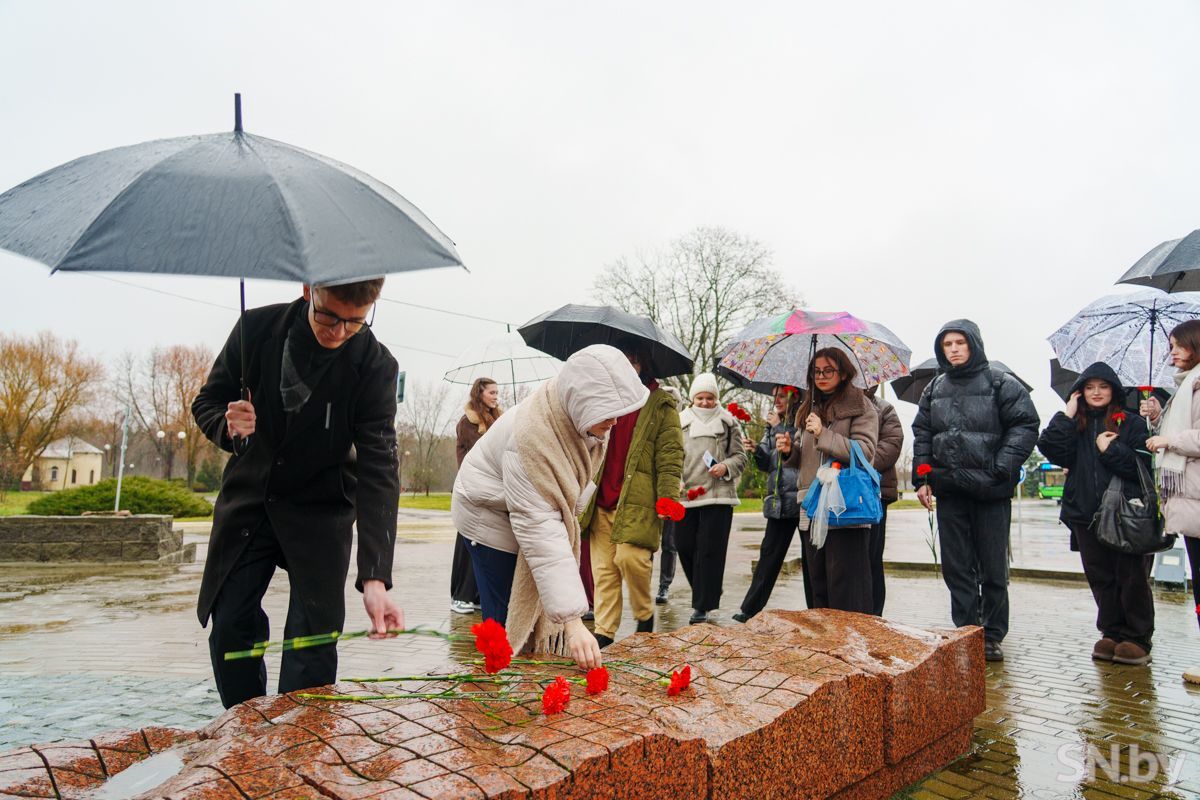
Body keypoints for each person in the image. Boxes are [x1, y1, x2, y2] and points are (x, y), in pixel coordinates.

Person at [192, 280, 403, 709]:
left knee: (313, 642)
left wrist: (375, 578)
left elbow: (380, 467)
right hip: (252, 500)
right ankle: (245, 725)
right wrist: (227, 425)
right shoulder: (255, 329)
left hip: (321, 512)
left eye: (355, 322)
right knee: (230, 625)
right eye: (329, 316)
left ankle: (299, 736)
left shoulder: (375, 365)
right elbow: (207, 402)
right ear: (310, 288)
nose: (338, 332)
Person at [451, 344, 647, 670]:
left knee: (539, 595)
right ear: (583, 400)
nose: (615, 420)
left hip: (521, 510)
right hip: (486, 515)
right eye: (608, 411)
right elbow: (541, 529)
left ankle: (524, 680)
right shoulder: (530, 438)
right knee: (505, 619)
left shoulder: (583, 420)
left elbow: (570, 495)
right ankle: (497, 686)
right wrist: (573, 623)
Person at [912, 320, 1039, 662]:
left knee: (993, 567)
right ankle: (967, 630)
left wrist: (1001, 467)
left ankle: (992, 634)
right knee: (957, 567)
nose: (953, 349)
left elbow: (1026, 425)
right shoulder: (934, 388)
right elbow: (923, 434)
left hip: (990, 492)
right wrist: (922, 479)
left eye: (960, 342)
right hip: (950, 490)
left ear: (974, 344)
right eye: (947, 344)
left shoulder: (1000, 383)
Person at [1038, 363, 1155, 665]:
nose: (1096, 393)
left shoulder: (1131, 422)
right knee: (1100, 577)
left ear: (1113, 390)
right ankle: (1111, 632)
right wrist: (1066, 414)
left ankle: (1137, 638)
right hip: (1084, 514)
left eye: (1103, 387)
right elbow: (1051, 448)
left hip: (1124, 514)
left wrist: (1109, 450)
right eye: (1089, 388)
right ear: (1080, 392)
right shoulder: (1074, 424)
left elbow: (1141, 468)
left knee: (1131, 577)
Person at [581, 339, 683, 647]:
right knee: (604, 570)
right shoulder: (604, 399)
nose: (626, 367)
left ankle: (644, 613)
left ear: (643, 364)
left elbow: (670, 456)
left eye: (632, 361)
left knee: (631, 559)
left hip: (638, 501)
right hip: (600, 498)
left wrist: (668, 497)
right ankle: (604, 631)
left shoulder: (660, 404)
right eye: (620, 361)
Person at [777, 349, 879, 614]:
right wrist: (789, 450)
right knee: (817, 587)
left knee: (846, 589)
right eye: (816, 371)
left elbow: (865, 452)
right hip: (810, 504)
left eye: (828, 370)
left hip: (844, 506)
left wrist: (824, 433)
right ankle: (823, 639)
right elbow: (803, 456)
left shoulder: (861, 406)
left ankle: (850, 637)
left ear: (843, 373)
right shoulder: (807, 407)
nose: (821, 376)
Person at [1140, 320, 1200, 683]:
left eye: (1178, 345)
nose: (1172, 352)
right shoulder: (1185, 386)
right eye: (1170, 346)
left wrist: (1169, 440)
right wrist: (1158, 418)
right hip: (1191, 501)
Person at [674, 373, 747, 624]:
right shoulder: (679, 422)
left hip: (719, 497)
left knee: (709, 551)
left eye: (710, 398)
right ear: (692, 399)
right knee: (683, 545)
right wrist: (675, 479)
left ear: (716, 398)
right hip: (687, 495)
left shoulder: (729, 422)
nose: (705, 402)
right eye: (700, 398)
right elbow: (672, 456)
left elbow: (740, 456)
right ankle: (708, 590)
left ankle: (702, 606)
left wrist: (726, 466)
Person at [733, 385, 807, 622]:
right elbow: (767, 464)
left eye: (782, 396)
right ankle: (750, 609)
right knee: (769, 555)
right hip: (779, 501)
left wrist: (777, 427)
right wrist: (756, 450)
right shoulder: (771, 425)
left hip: (802, 499)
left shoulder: (803, 419)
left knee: (811, 560)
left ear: (795, 396)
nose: (777, 401)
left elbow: (799, 453)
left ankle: (817, 610)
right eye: (775, 397)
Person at [450, 378, 501, 614]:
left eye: (497, 392)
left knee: (486, 544)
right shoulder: (467, 423)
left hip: (490, 490)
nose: (496, 396)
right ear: (479, 394)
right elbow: (484, 451)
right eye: (491, 392)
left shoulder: (497, 419)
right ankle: (460, 596)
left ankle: (478, 595)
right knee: (467, 544)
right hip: (470, 489)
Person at [867, 385, 904, 617]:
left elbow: (891, 445)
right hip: (838, 491)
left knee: (872, 557)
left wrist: (858, 463)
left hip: (875, 492)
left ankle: (874, 615)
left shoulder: (884, 409)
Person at [655, 385, 685, 604]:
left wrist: (682, 481)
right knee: (643, 543)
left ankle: (664, 585)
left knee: (669, 542)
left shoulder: (683, 426)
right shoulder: (652, 424)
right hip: (650, 490)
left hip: (675, 490)